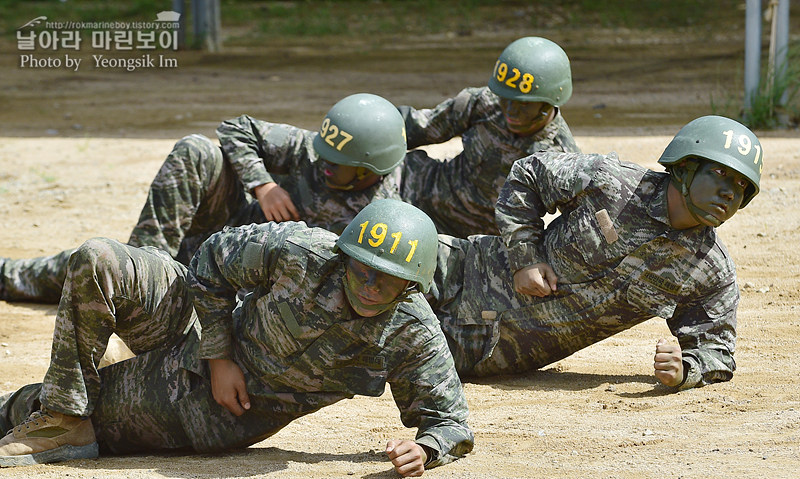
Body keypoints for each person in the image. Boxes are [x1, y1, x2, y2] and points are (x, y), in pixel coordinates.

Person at [0, 200, 473, 475]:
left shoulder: (412, 331)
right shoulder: (302, 251)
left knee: (22, 407)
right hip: (200, 332)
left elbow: (449, 422)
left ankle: (49, 413)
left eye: (386, 282)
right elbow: (210, 263)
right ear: (345, 255)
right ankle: (63, 420)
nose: (370, 288)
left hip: (214, 408)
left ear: (410, 285)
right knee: (99, 258)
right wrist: (219, 353)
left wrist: (426, 449)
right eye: (363, 271)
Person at [428, 115, 762, 390]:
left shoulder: (708, 271)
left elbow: (716, 352)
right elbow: (529, 174)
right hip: (456, 274)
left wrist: (685, 369)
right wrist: (525, 258)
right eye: (719, 173)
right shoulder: (611, 182)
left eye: (741, 185)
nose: (729, 191)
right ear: (686, 166)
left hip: (480, 353)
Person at [0, 93, 407, 303]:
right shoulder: (314, 151)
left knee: (93, 270)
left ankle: (139, 282)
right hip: (205, 241)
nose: (325, 166)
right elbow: (235, 128)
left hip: (235, 288)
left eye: (338, 165)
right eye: (325, 155)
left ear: (369, 171)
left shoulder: (378, 220)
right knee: (196, 149)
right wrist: (262, 184)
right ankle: (143, 270)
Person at [399, 36, 580, 238]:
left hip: (478, 247)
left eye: (524, 104)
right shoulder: (484, 103)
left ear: (547, 104)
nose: (510, 110)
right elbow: (420, 127)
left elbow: (576, 226)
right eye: (506, 99)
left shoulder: (562, 160)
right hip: (424, 196)